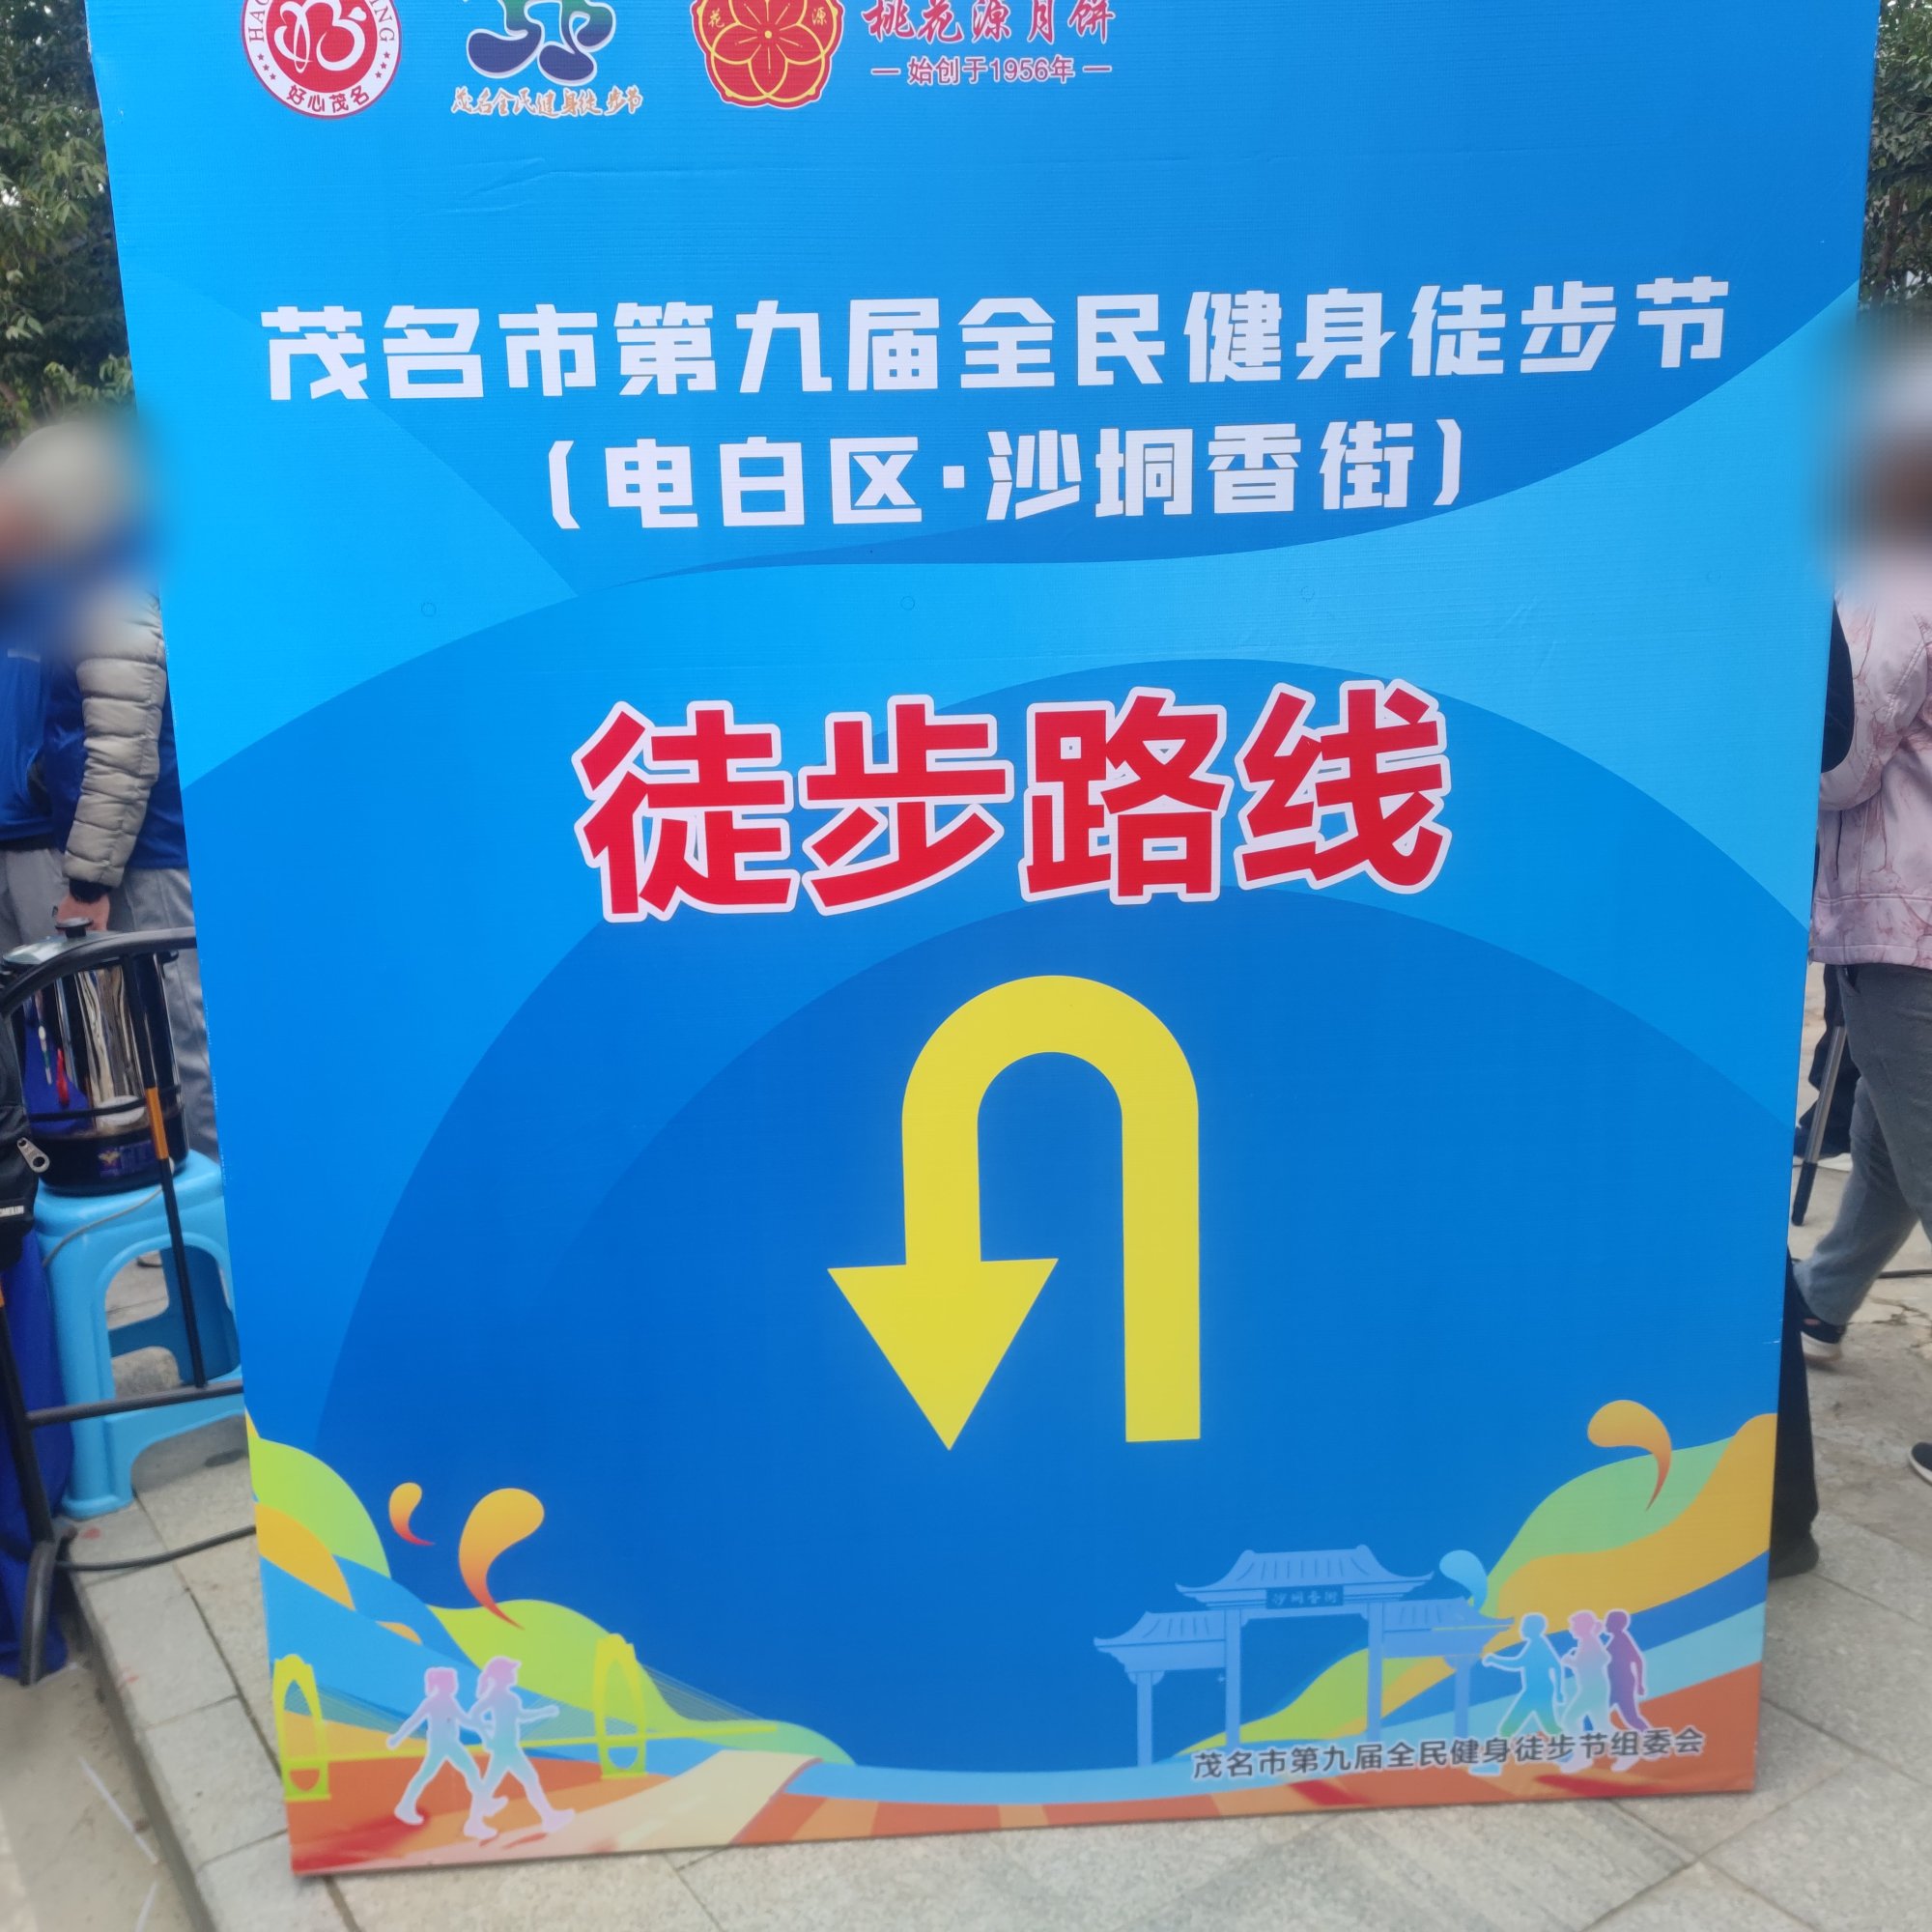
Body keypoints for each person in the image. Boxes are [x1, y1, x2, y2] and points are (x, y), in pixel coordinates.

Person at [0, 416, 216, 1156]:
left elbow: (123, 746)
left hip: (150, 853)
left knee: (182, 1039)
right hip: (130, 852)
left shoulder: (110, 582)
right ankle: (174, 1187)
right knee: (152, 1039)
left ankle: (216, 1192)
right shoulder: (82, 579)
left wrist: (88, 881)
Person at [386, 1665, 501, 1835]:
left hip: (449, 1743)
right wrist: (398, 1737)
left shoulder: (449, 1701)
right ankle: (405, 1806)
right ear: (443, 1684)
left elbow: (463, 1720)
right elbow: (414, 1720)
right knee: (430, 1774)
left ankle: (485, 1801)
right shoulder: (435, 1702)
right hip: (442, 1743)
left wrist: (485, 1725)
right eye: (452, 1681)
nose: (455, 1684)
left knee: (468, 1771)